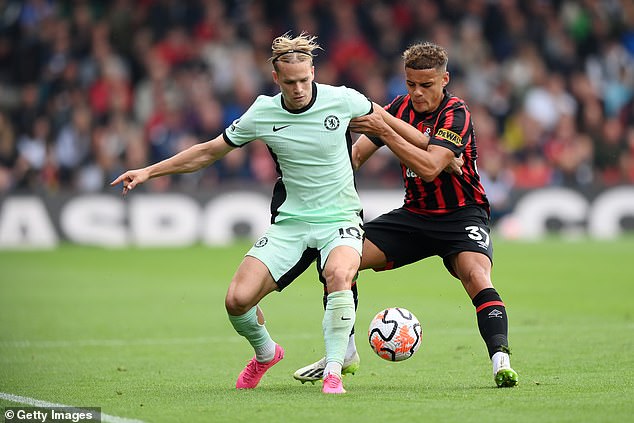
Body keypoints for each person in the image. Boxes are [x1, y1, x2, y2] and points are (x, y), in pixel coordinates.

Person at [111, 32, 425, 395]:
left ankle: (334, 371)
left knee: (339, 275)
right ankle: (266, 353)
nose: (299, 88)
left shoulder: (343, 99)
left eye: (305, 80)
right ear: (276, 79)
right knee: (237, 300)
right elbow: (208, 152)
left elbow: (387, 124)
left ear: (313, 71)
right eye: (290, 82)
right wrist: (149, 171)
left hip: (340, 219)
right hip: (291, 223)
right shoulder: (263, 111)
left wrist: (433, 148)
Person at [293, 41, 519, 388]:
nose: (417, 93)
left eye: (426, 85)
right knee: (337, 261)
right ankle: (346, 351)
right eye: (410, 84)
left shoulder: (456, 114)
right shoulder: (398, 107)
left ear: (445, 79)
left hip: (462, 215)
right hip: (414, 217)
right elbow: (354, 157)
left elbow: (429, 168)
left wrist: (386, 130)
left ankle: (500, 359)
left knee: (476, 276)